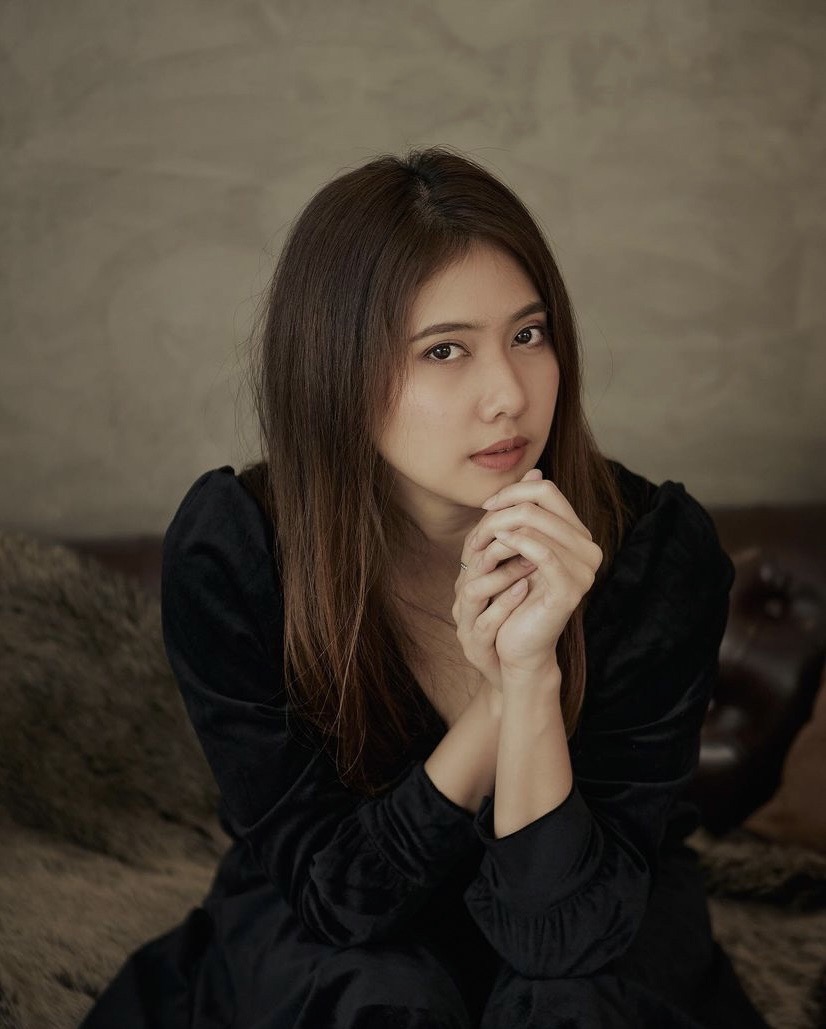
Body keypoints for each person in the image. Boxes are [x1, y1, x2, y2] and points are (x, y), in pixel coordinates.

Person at [80, 147, 769, 1028]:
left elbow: (564, 933)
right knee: (381, 998)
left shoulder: (653, 553)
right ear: (337, 371)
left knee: (569, 1005)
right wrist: (497, 698)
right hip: (331, 923)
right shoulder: (241, 552)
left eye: (529, 335)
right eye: (445, 350)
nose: (507, 394)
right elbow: (339, 896)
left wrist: (535, 680)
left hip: (593, 901)